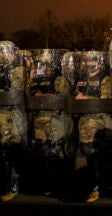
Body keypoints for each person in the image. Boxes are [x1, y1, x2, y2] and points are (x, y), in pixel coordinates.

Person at [63, 51, 112, 202]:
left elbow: (105, 100)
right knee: (84, 153)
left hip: (96, 121)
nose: (89, 64)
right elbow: (73, 95)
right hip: (80, 121)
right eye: (87, 62)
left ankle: (95, 187)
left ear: (98, 63)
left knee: (92, 153)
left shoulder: (104, 79)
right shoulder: (81, 79)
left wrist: (85, 98)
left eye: (92, 61)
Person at [25, 49, 71, 196]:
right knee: (42, 151)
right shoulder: (36, 79)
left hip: (55, 120)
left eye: (46, 65)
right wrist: (30, 79)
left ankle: (58, 184)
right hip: (39, 120)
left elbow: (63, 96)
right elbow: (27, 94)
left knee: (56, 152)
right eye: (41, 65)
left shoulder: (59, 79)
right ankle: (44, 183)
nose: (43, 69)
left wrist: (43, 95)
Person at [0, 41, 27, 202]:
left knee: (11, 151)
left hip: (12, 114)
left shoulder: (18, 68)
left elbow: (16, 88)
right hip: (1, 113)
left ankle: (12, 185)